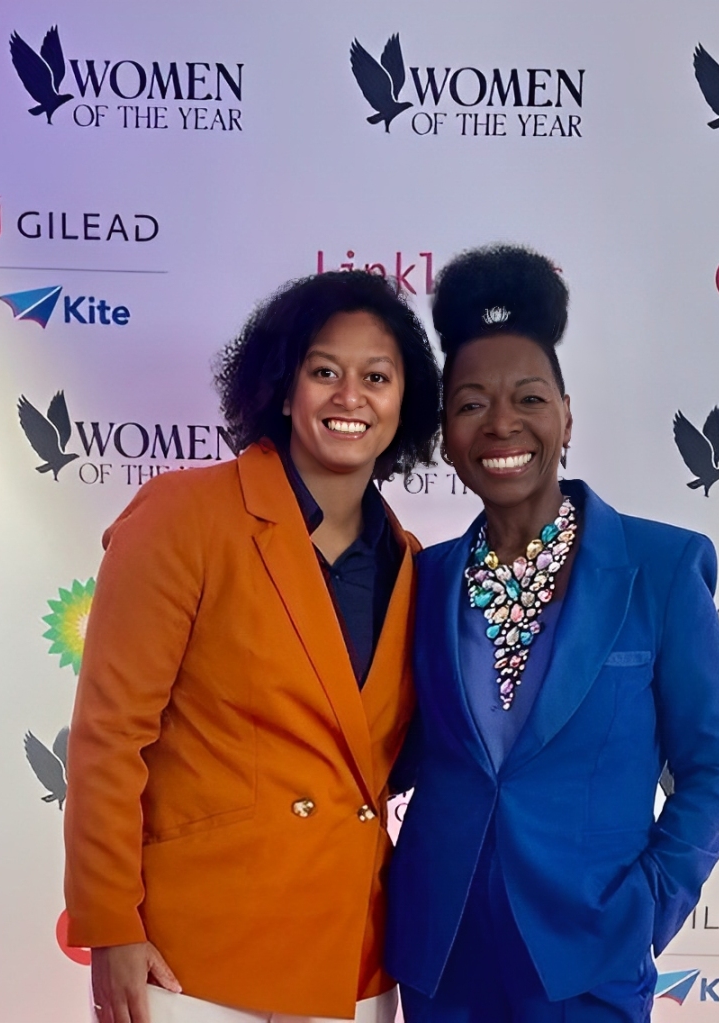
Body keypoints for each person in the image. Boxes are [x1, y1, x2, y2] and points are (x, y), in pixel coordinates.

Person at [63, 270, 441, 1023]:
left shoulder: (413, 563)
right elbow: (110, 736)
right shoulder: (186, 515)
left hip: (353, 959)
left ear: (405, 403)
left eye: (376, 377)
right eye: (324, 371)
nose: (350, 396)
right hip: (194, 959)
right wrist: (109, 924)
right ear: (283, 388)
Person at [386, 245, 719, 1023]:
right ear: (445, 433)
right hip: (441, 953)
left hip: (588, 955)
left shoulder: (660, 566)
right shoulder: (423, 577)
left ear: (566, 415)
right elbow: (394, 751)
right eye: (470, 403)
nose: (501, 423)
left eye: (528, 397)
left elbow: (712, 764)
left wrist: (645, 906)